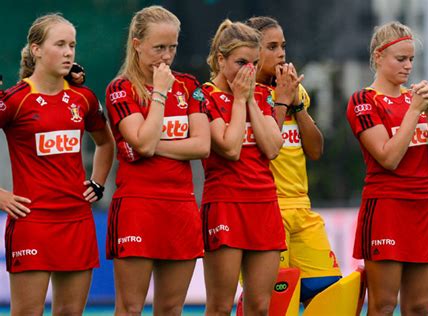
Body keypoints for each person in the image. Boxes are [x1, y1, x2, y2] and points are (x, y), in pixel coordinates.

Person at [0, 13, 114, 315]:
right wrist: (0, 195)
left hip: (77, 222)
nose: (68, 52)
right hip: (32, 223)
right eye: (60, 44)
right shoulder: (15, 100)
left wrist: (98, 182)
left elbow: (105, 143)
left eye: (72, 45)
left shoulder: (83, 98)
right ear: (36, 49)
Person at [104, 5, 210, 315]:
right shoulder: (121, 89)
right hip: (138, 207)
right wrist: (160, 94)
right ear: (137, 44)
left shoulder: (190, 85)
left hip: (180, 208)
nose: (166, 56)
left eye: (172, 47)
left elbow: (202, 146)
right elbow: (144, 141)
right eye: (158, 47)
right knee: (131, 307)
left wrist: (148, 145)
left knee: (171, 308)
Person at [346, 21, 428, 315]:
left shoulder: (414, 99)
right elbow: (388, 158)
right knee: (383, 305)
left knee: (419, 307)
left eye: (412, 59)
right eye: (401, 59)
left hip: (426, 208)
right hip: (387, 209)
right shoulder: (363, 101)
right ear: (378, 56)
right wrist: (415, 111)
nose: (408, 66)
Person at [244, 16, 343, 307]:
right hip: (265, 207)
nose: (281, 54)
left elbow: (315, 150)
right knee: (272, 302)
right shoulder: (245, 95)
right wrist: (281, 102)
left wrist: (295, 103)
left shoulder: (293, 91)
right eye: (272, 47)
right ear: (252, 52)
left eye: (283, 46)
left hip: (301, 206)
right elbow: (266, 150)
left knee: (328, 292)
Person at [197, 19, 285, 315]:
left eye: (254, 63)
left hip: (264, 205)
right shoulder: (203, 96)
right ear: (220, 60)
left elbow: (273, 148)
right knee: (220, 307)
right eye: (240, 62)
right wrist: (239, 100)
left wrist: (248, 101)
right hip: (226, 204)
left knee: (260, 306)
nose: (249, 70)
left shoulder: (260, 94)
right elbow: (230, 147)